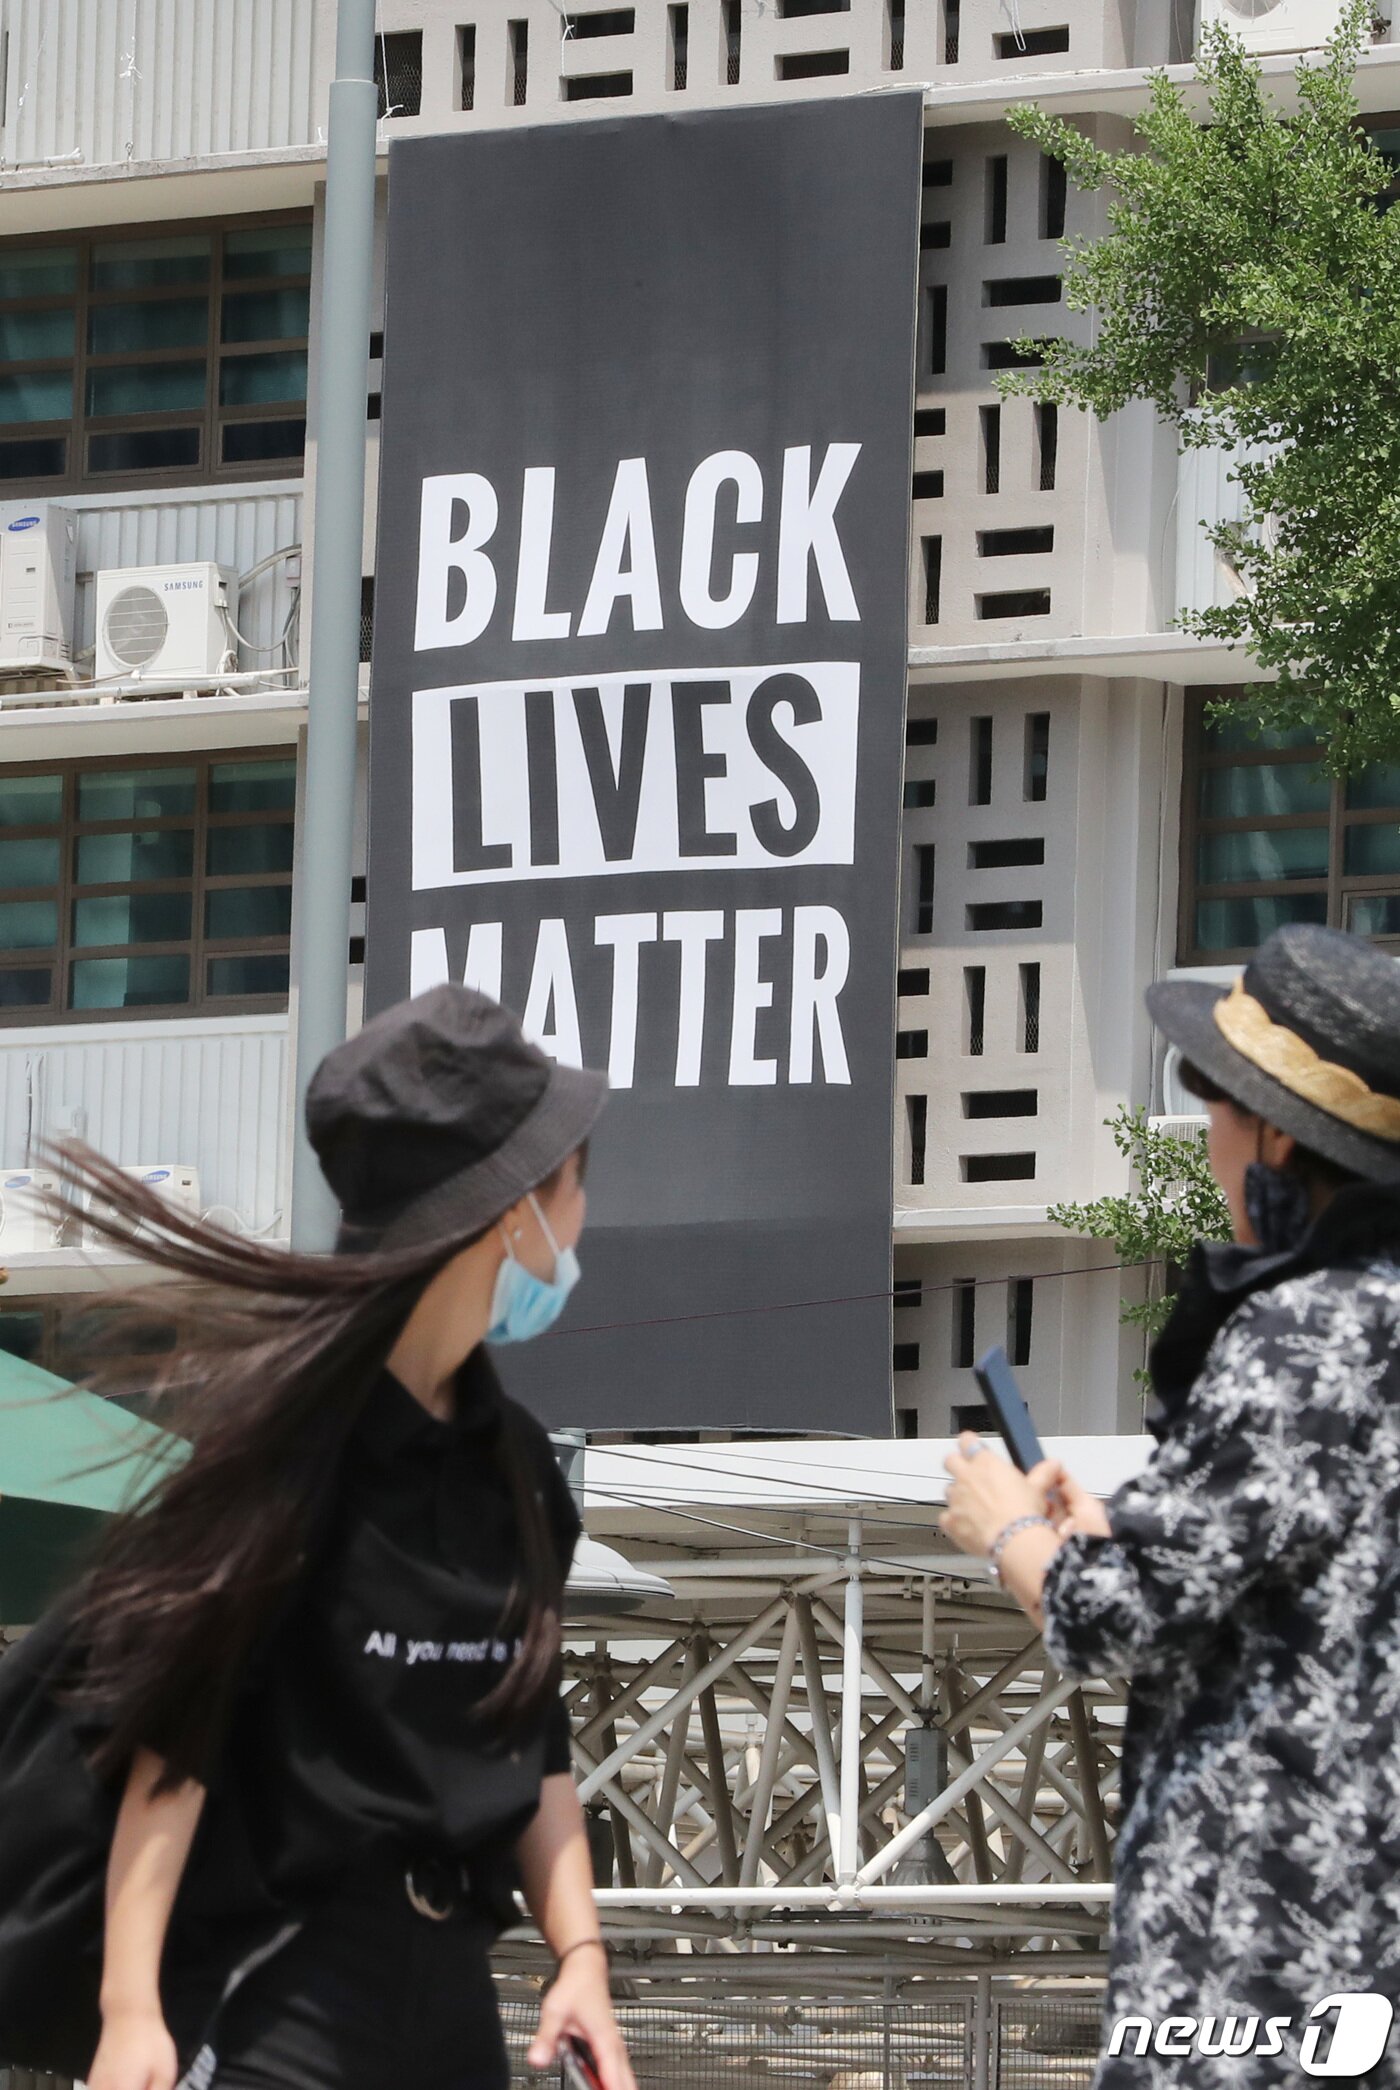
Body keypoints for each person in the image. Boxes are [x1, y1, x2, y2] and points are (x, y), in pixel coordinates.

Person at [1, 986, 637, 2090]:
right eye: (572, 1176)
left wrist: (578, 1954)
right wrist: (130, 2009)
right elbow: (177, 1744)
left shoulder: (521, 1473)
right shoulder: (292, 1460)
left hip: (449, 1988)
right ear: (506, 1211)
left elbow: (531, 1747)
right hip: (279, 1985)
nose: (583, 1211)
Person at [939, 923, 1400, 2085]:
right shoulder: (1378, 1319)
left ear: (1278, 1140)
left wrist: (1009, 1529)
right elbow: (1273, 1558)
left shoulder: (1298, 1332)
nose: (1207, 1142)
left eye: (1220, 1111)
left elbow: (1116, 1614)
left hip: (1258, 1927)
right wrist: (1107, 1522)